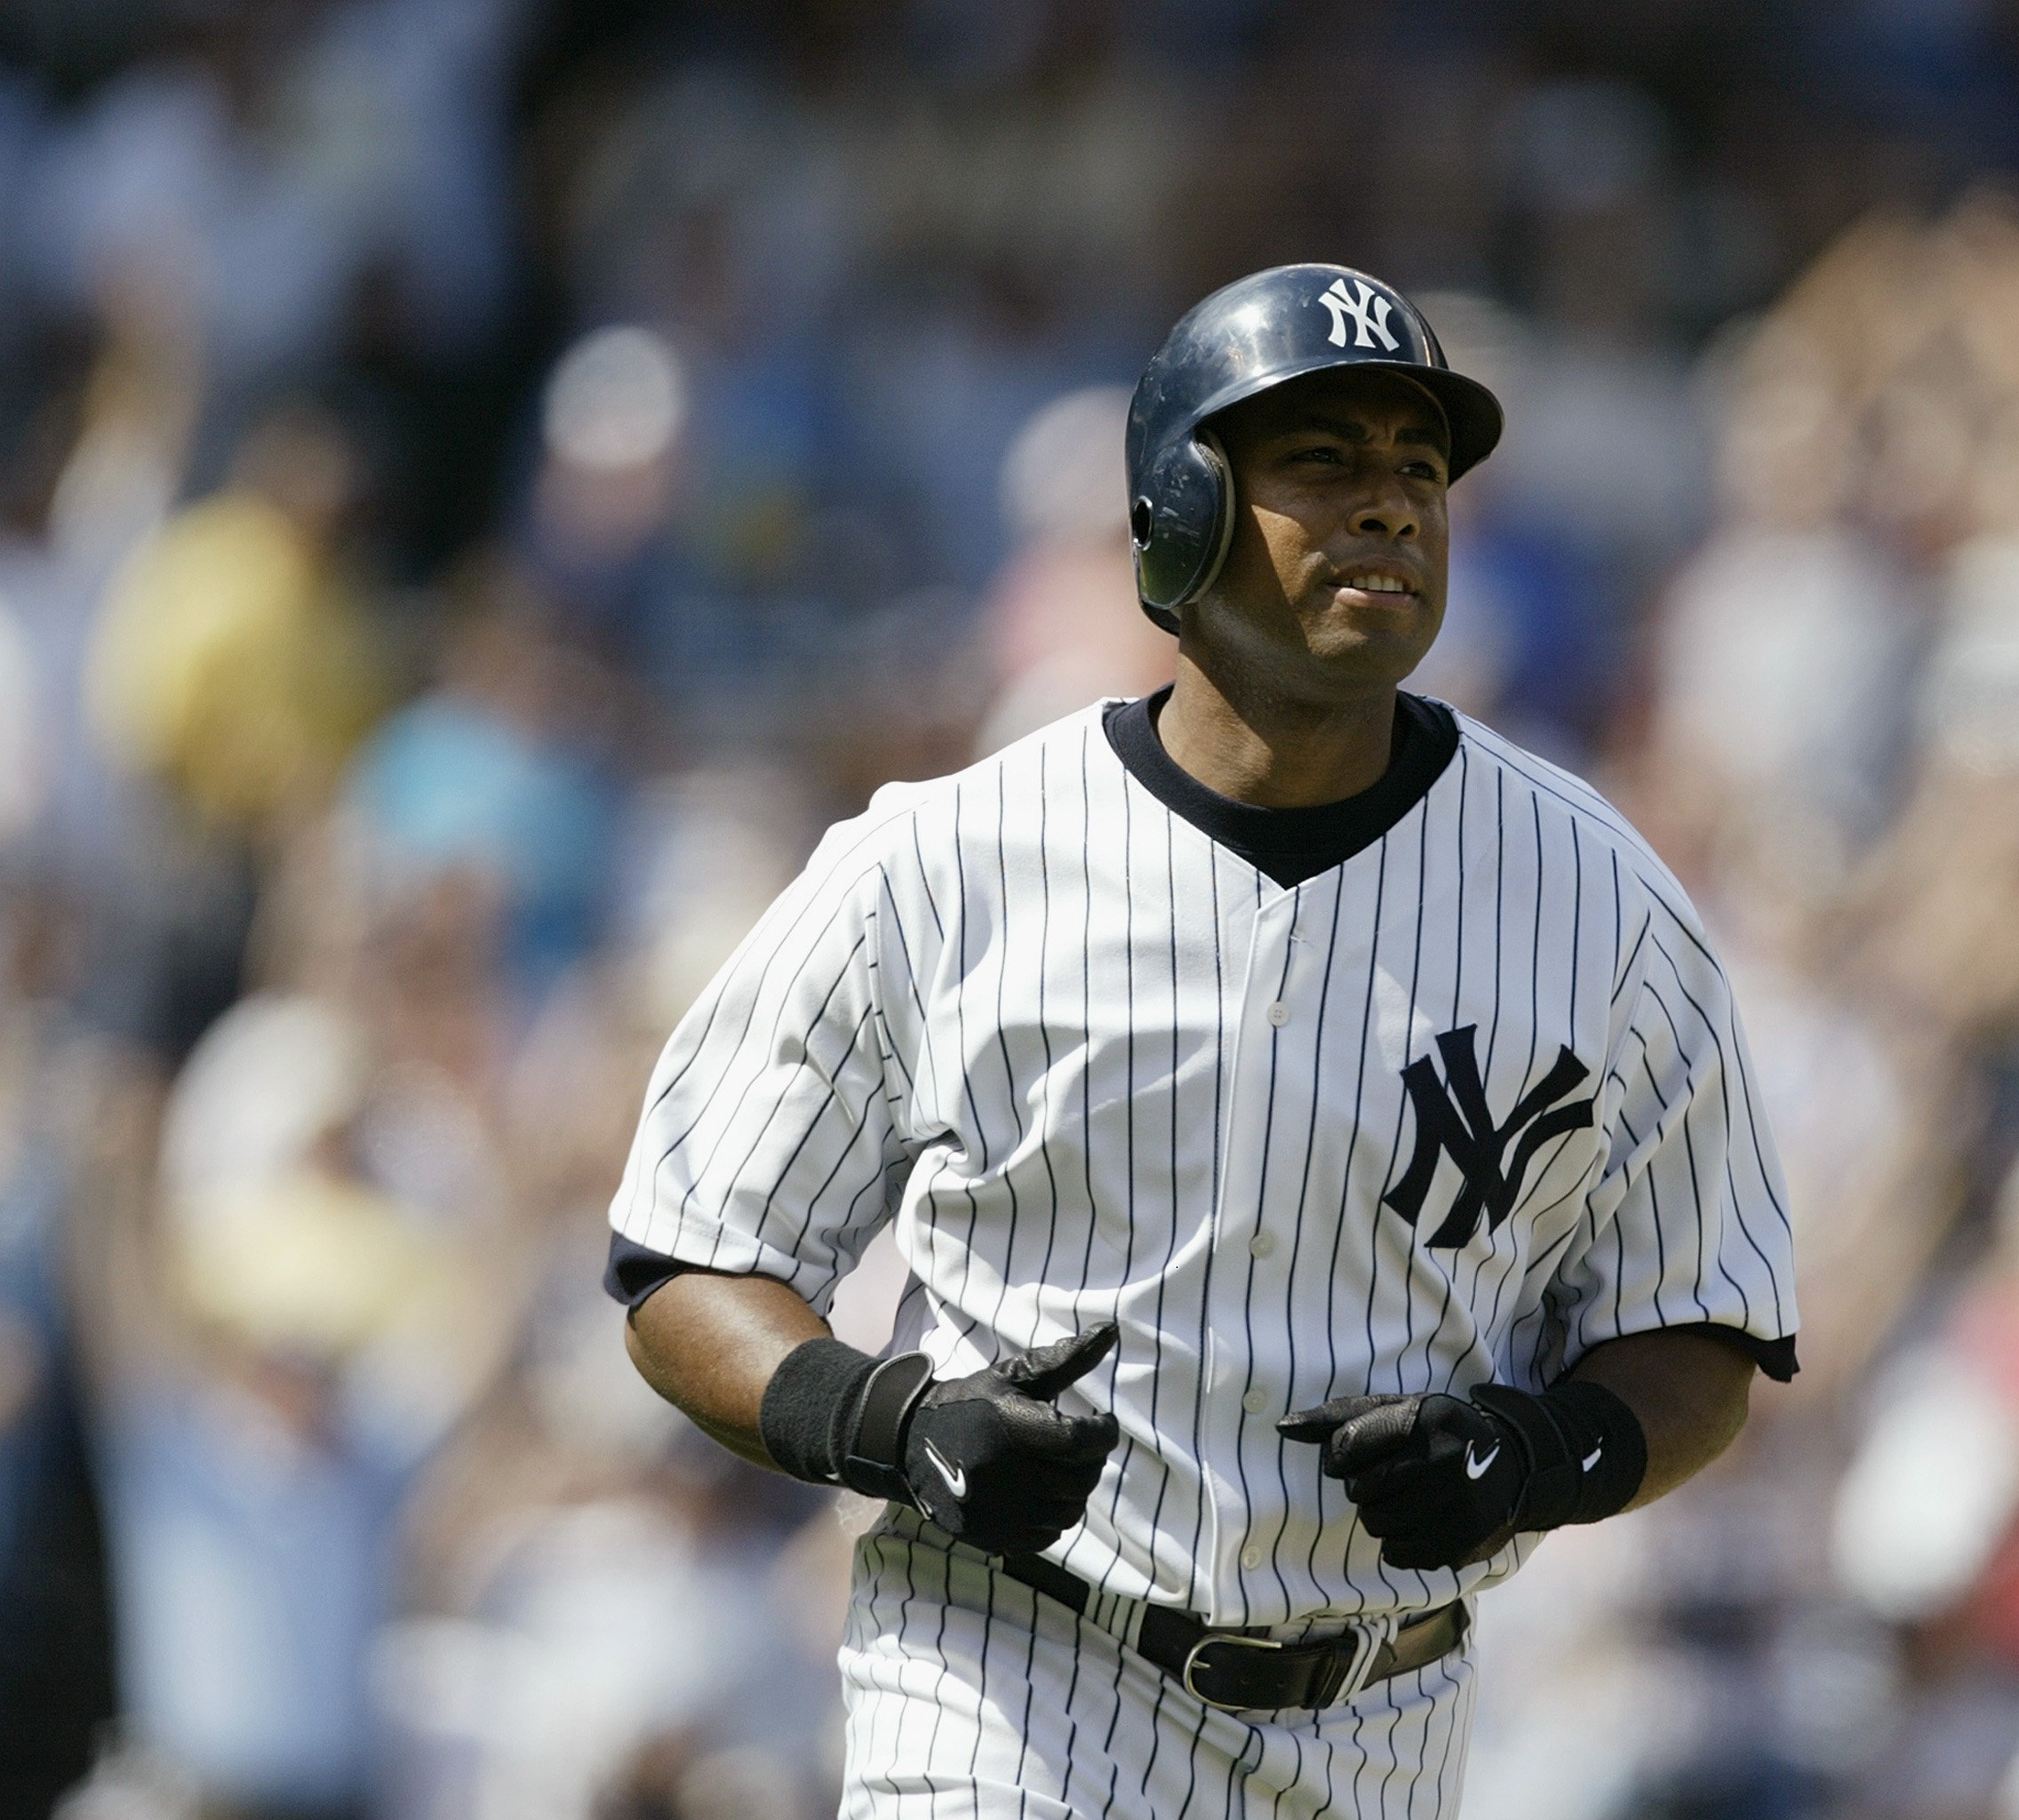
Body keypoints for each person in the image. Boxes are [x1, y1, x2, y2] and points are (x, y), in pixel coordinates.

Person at [603, 263, 1800, 1818]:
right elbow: (685, 1254)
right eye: (1323, 463)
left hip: (1384, 1720)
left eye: (1420, 470)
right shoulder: (951, 857)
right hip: (1004, 1682)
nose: (1390, 508)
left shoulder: (1602, 901)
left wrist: (1548, 1446)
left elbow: (1698, 1324)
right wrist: (890, 1421)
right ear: (1180, 507)